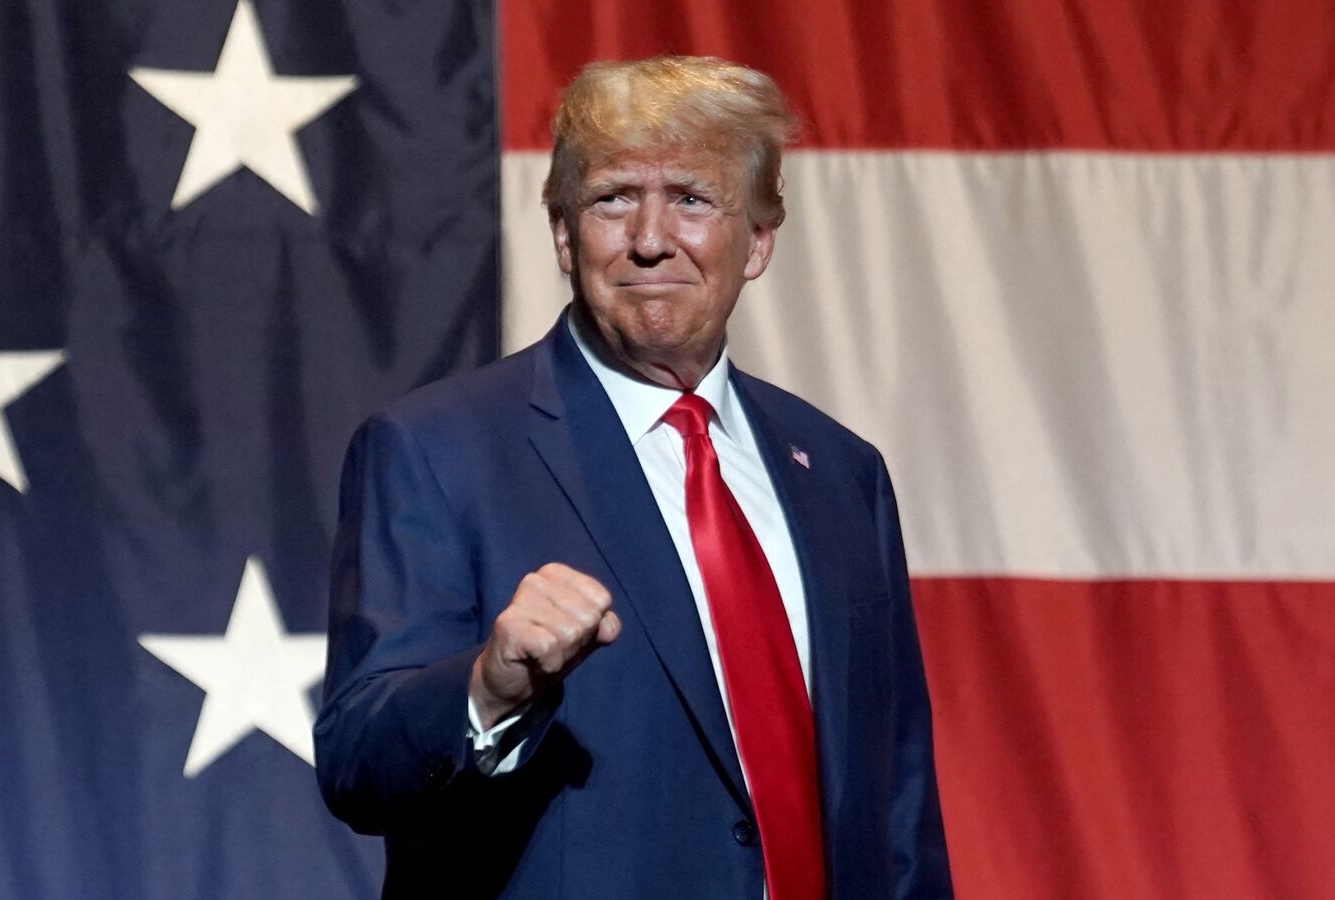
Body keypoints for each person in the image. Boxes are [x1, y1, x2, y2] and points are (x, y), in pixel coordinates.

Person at [314, 55, 954, 899]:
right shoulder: (434, 451)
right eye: (614, 198)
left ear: (758, 241)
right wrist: (490, 685)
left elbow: (897, 794)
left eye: (691, 198)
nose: (651, 239)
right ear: (563, 233)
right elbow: (359, 761)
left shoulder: (841, 472)